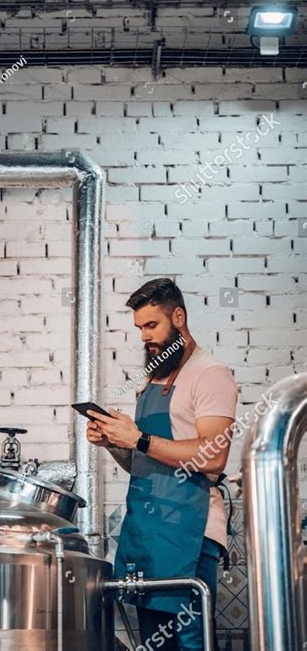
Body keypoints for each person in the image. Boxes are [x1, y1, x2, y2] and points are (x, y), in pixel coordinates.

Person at [86, 278, 237, 651]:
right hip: (148, 533)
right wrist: (114, 442)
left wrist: (138, 437)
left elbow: (214, 455)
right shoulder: (152, 379)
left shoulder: (210, 374)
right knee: (154, 645)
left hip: (189, 530)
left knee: (190, 642)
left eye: (151, 325)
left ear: (179, 317)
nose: (144, 337)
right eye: (139, 328)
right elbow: (145, 461)